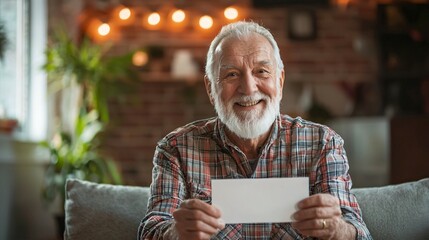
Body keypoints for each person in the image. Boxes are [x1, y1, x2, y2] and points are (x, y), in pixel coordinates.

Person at [138, 21, 372, 240]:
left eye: (261, 71)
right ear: (210, 88)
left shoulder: (322, 143)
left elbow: (359, 232)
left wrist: (338, 229)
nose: (248, 88)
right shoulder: (176, 149)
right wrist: (175, 233)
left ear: (279, 82)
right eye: (231, 74)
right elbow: (151, 230)